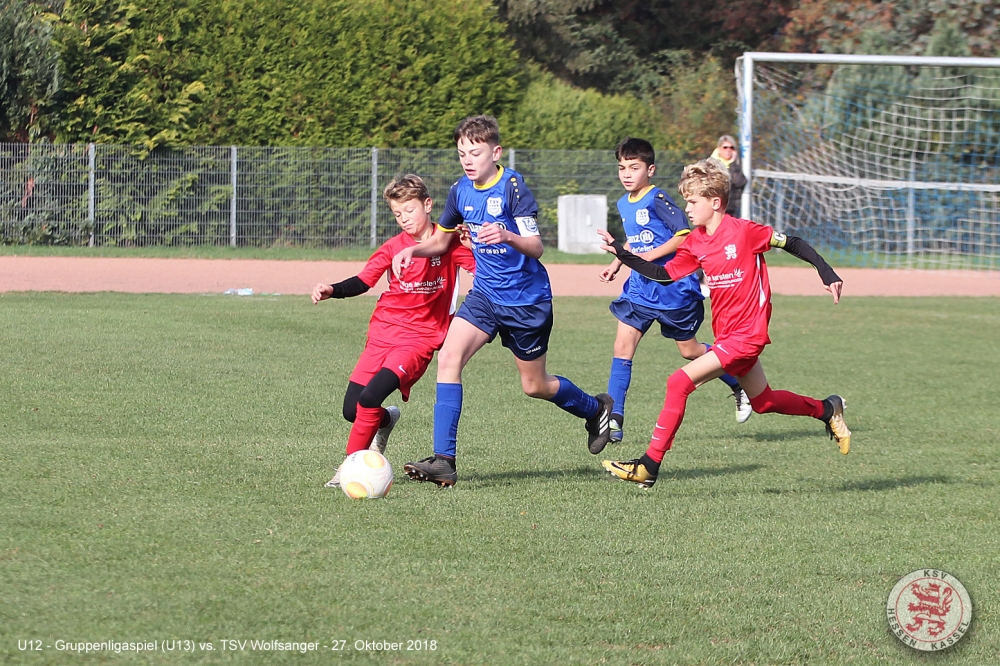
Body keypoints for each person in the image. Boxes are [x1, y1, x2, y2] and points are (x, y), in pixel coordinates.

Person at [596, 158, 851, 489]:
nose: (687, 208)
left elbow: (793, 242)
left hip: (748, 335)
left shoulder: (744, 232)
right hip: (727, 336)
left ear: (715, 202)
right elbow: (662, 273)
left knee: (678, 382)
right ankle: (827, 409)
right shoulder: (696, 242)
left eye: (693, 202)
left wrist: (826, 272)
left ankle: (649, 465)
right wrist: (621, 253)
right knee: (764, 402)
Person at [391, 115, 614, 488]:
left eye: (475, 153)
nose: (468, 160)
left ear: (495, 153)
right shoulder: (460, 191)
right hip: (485, 295)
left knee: (534, 385)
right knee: (449, 358)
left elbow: (537, 247)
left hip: (526, 301)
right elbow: (441, 240)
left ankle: (595, 408)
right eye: (462, 153)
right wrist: (412, 250)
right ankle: (444, 460)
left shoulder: (513, 188)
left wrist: (507, 235)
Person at [312, 174, 475, 488]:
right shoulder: (393, 247)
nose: (404, 218)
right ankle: (386, 421)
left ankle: (349, 469)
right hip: (383, 334)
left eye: (409, 210)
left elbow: (483, 271)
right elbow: (364, 280)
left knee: (370, 397)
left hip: (419, 339)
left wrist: (476, 246)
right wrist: (333, 289)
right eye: (398, 213)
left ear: (428, 205)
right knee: (352, 410)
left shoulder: (448, 243)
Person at [599, 137, 752, 443]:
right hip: (640, 290)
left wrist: (646, 257)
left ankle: (737, 382)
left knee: (690, 351)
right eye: (622, 168)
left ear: (650, 170)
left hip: (673, 289)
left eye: (634, 167)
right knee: (621, 348)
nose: (626, 174)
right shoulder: (623, 203)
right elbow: (635, 237)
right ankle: (614, 421)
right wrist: (618, 262)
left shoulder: (657, 198)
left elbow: (683, 234)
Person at [711, 135, 747, 216]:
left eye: (732, 147)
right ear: (719, 149)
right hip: (713, 209)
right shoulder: (711, 165)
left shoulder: (735, 166)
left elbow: (739, 182)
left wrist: (733, 163)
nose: (728, 150)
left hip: (731, 210)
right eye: (725, 147)